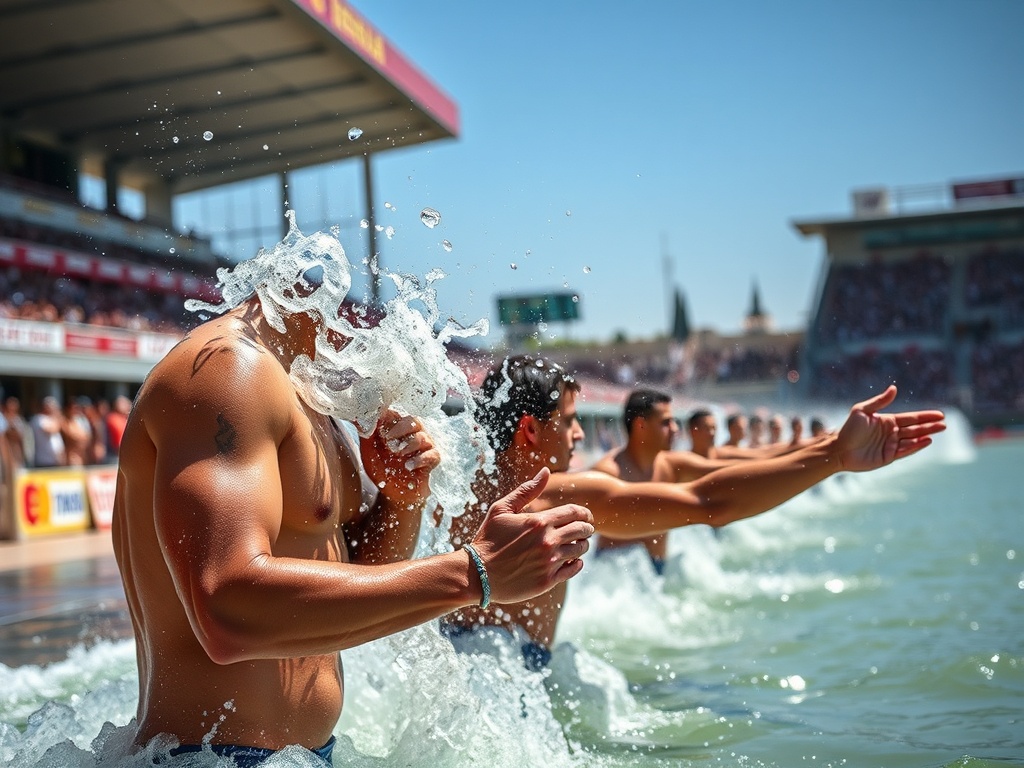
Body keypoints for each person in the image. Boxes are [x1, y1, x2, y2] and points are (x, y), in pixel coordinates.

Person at [112, 260, 594, 762]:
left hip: (297, 753)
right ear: (317, 302)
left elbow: (355, 579)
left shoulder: (305, 395)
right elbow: (226, 608)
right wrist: (473, 573)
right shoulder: (228, 369)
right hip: (210, 755)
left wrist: (399, 499)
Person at [442, 354, 945, 668]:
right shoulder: (556, 496)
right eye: (570, 421)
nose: (579, 434)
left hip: (458, 678)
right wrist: (834, 455)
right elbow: (710, 501)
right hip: (518, 681)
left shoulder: (449, 493)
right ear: (531, 430)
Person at [591, 391, 736, 573]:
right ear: (641, 425)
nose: (675, 429)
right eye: (666, 422)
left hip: (657, 567)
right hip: (615, 572)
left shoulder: (672, 465)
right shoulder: (606, 473)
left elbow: (726, 471)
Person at [30, 396, 66, 468]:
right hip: (44, 461)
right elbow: (52, 430)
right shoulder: (38, 419)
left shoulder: (52, 419)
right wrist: (58, 417)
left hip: (56, 460)